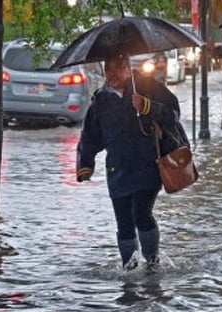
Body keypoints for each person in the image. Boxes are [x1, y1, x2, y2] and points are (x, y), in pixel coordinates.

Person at [76, 54, 180, 271]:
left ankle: (152, 263)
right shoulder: (100, 100)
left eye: (118, 67)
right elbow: (90, 136)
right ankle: (129, 270)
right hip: (118, 170)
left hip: (148, 166)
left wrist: (147, 106)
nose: (113, 74)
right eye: (108, 69)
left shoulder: (148, 87)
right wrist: (85, 164)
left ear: (128, 67)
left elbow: (172, 114)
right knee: (124, 222)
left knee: (142, 213)